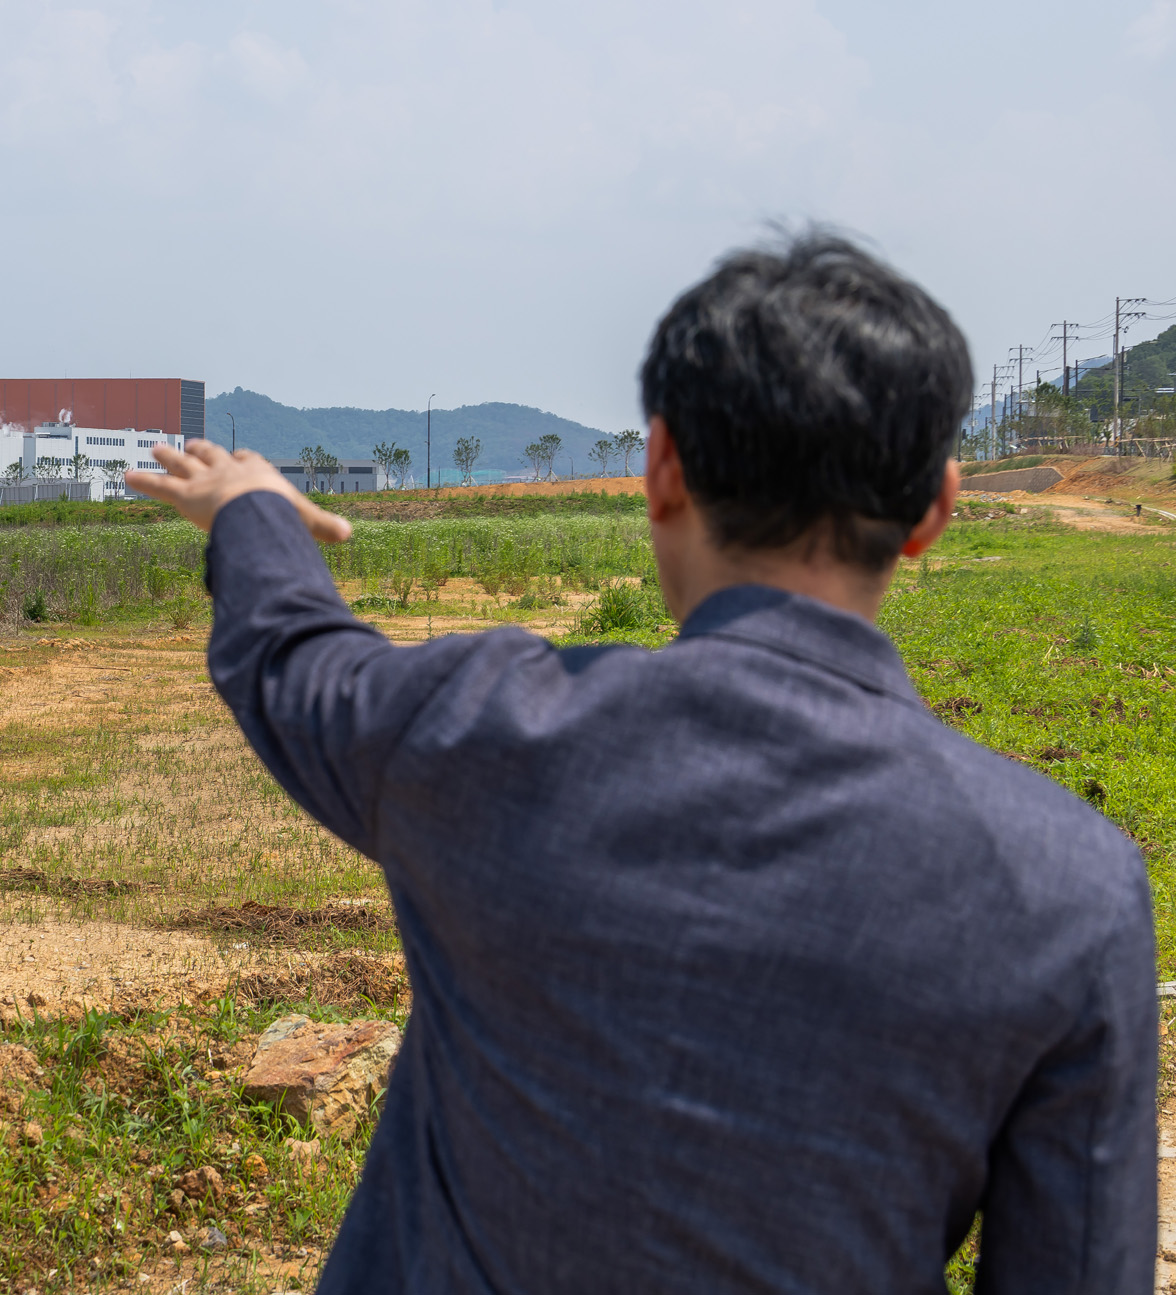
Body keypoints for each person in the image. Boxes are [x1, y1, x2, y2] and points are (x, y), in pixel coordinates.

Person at [126, 234, 1156, 1293]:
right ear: (932, 510)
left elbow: (294, 661)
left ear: (660, 467)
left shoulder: (481, 728)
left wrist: (249, 507)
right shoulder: (1070, 891)